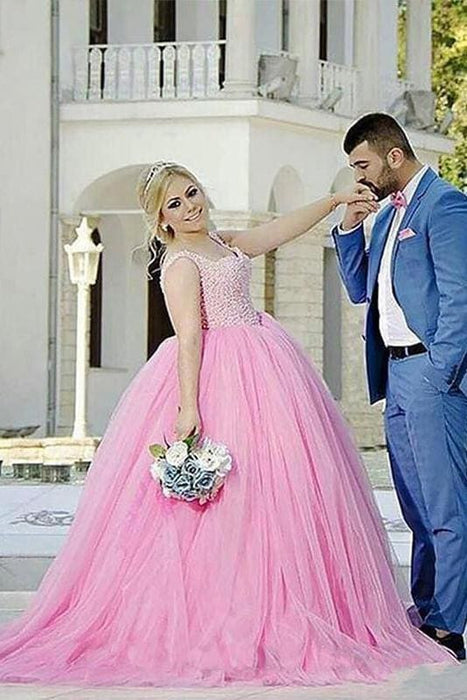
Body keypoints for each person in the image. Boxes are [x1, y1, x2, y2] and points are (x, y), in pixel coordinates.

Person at [0, 162, 453, 688]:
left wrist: (332, 203)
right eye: (174, 204)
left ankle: (287, 603)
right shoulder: (180, 263)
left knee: (279, 494)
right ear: (162, 220)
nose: (189, 206)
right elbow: (189, 337)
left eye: (191, 193)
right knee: (231, 503)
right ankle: (228, 612)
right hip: (221, 379)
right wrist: (188, 408)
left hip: (266, 367)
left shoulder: (220, 241)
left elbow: (273, 232)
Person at [332, 113, 467, 661]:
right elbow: (359, 288)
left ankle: (449, 625)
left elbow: (461, 298)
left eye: (362, 164)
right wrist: (349, 227)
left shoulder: (446, 205)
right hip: (395, 374)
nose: (358, 176)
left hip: (431, 375)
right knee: (414, 507)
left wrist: (442, 369)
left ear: (393, 156)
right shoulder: (387, 214)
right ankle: (427, 610)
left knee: (446, 507)